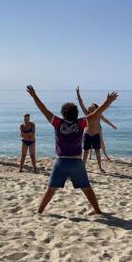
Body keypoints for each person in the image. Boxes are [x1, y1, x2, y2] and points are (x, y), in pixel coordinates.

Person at [27, 85, 118, 215]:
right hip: (76, 162)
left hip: (60, 162)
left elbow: (43, 109)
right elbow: (97, 114)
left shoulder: (57, 123)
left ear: (63, 114)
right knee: (87, 188)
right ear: (76, 114)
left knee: (50, 189)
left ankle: (39, 211)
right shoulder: (81, 123)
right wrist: (108, 101)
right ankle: (97, 211)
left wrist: (34, 95)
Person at [76, 86, 112, 173]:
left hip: (96, 135)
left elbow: (104, 107)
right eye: (89, 106)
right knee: (85, 152)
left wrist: (108, 100)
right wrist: (78, 94)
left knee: (97, 152)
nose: (89, 107)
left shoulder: (98, 114)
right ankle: (82, 167)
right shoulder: (86, 114)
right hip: (87, 135)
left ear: (95, 109)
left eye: (91, 106)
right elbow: (81, 103)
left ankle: (100, 167)